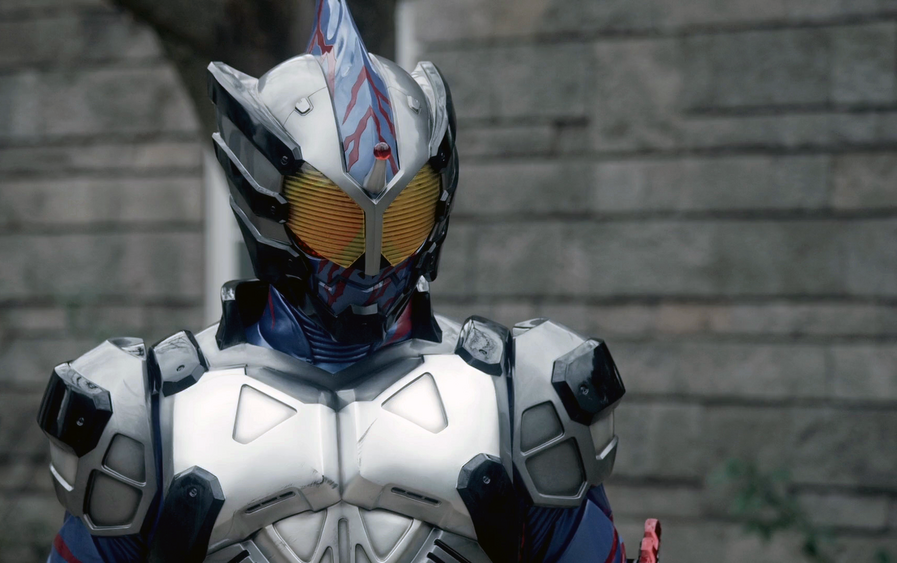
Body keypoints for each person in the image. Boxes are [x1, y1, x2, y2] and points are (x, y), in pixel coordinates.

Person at [38, 1, 660, 561]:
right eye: (336, 222)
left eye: (403, 219)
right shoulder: (146, 414)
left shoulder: (524, 397)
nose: (371, 262)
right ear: (268, 206)